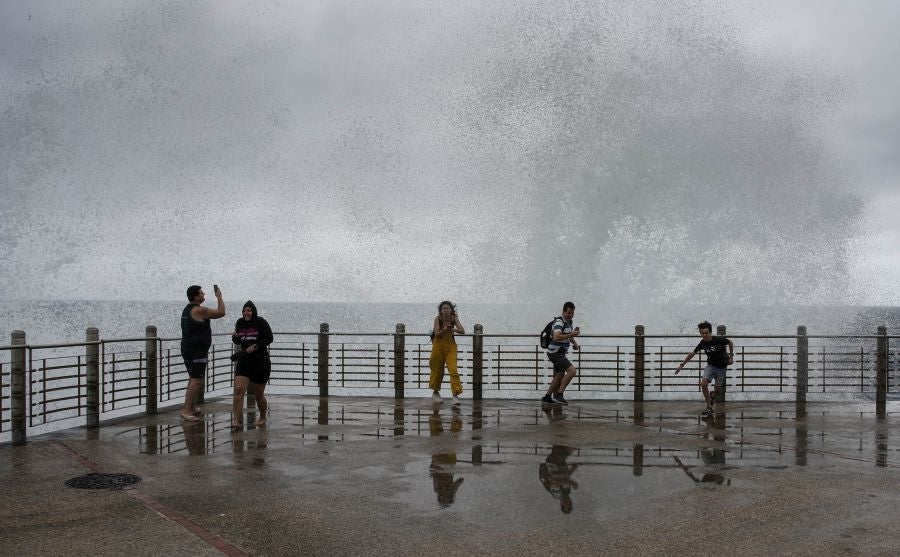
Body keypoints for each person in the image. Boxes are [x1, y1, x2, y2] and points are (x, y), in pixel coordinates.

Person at [180, 285, 225, 422]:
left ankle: (191, 407)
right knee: (197, 380)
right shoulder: (199, 310)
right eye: (201, 293)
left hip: (189, 348)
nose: (204, 293)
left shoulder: (187, 310)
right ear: (195, 296)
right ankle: (186, 410)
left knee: (193, 378)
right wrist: (219, 297)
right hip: (196, 350)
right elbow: (221, 312)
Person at [675, 321, 734, 417]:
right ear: (700, 333)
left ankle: (713, 395)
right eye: (702, 333)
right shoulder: (702, 343)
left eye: (706, 333)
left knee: (718, 390)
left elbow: (730, 342)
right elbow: (692, 354)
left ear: (710, 332)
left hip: (721, 368)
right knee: (703, 384)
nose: (704, 335)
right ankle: (709, 407)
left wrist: (731, 356)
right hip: (710, 367)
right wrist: (682, 365)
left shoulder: (718, 340)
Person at [230, 300, 273, 431]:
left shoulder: (261, 322)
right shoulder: (240, 322)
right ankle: (236, 421)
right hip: (244, 360)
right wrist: (235, 337)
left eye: (249, 310)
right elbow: (239, 340)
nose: (246, 313)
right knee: (238, 390)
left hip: (260, 361)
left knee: (258, 394)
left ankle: (263, 416)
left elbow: (269, 338)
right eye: (244, 310)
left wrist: (255, 346)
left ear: (253, 311)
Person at [541, 301, 580, 406]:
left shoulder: (569, 322)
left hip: (559, 353)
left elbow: (568, 336)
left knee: (559, 375)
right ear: (563, 311)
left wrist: (575, 343)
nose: (570, 315)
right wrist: (571, 334)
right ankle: (559, 395)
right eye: (568, 313)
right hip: (555, 353)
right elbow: (557, 336)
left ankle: (547, 397)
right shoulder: (559, 322)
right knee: (572, 371)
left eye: (572, 313)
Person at [429, 301, 465, 404]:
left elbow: (462, 331)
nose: (445, 310)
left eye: (447, 308)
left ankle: (455, 395)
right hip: (438, 345)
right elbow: (436, 334)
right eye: (443, 308)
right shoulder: (438, 319)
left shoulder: (454, 318)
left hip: (450, 346)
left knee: (453, 369)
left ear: (451, 310)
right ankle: (435, 393)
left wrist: (453, 329)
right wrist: (443, 330)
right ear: (440, 310)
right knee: (437, 369)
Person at [539, 445, 579, 513]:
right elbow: (566, 476)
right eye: (570, 504)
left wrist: (571, 483)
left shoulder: (557, 494)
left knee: (566, 448)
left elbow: (555, 482)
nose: (569, 502)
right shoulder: (567, 492)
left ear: (562, 504)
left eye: (567, 504)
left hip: (553, 464)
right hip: (560, 464)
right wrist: (573, 469)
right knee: (561, 446)